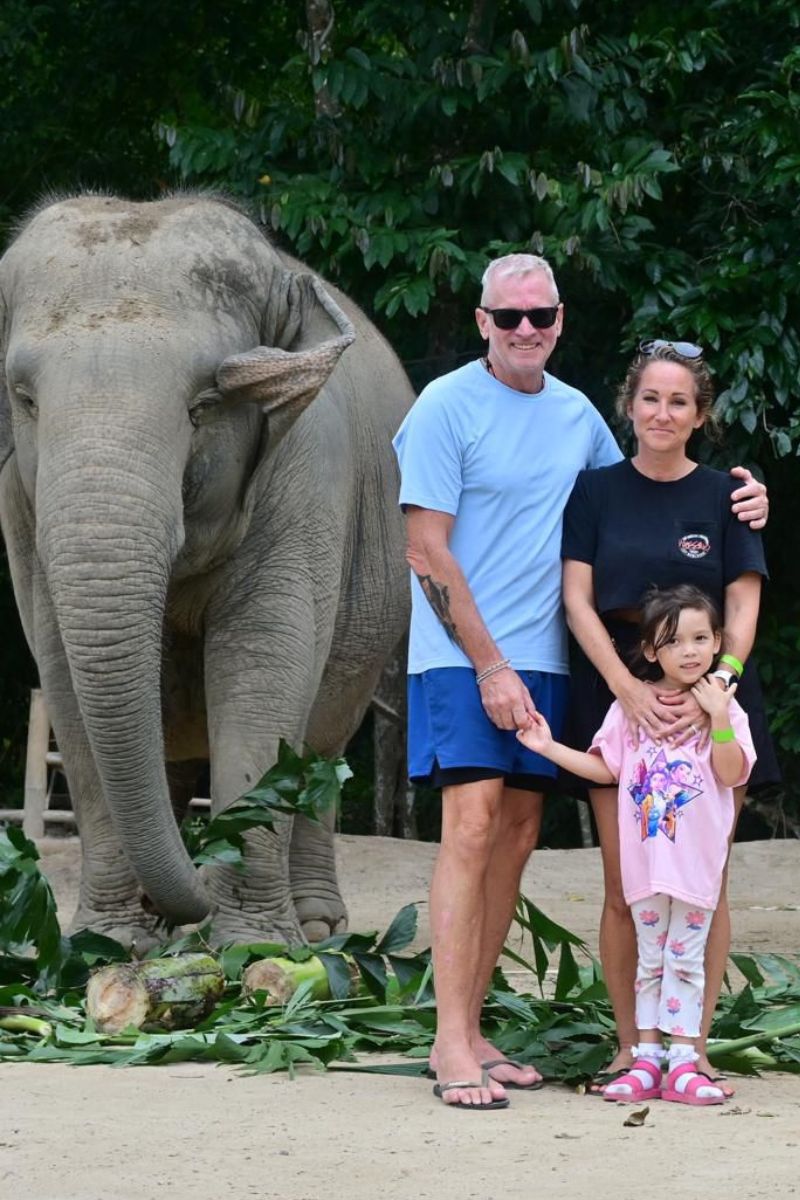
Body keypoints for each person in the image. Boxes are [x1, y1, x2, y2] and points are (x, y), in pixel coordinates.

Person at [391, 258, 768, 1110]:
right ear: (483, 321)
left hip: (553, 660)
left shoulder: (577, 417)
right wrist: (488, 664)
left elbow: (644, 487)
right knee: (471, 824)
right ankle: (448, 1042)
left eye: (540, 315)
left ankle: (475, 1030)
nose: (525, 329)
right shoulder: (444, 405)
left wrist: (749, 500)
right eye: (508, 316)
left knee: (517, 833)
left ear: (560, 320)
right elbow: (425, 548)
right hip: (463, 653)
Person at [560, 340, 780, 1094]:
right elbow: (577, 599)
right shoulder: (594, 492)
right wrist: (626, 687)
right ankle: (634, 1048)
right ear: (629, 406)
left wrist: (716, 687)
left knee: (702, 883)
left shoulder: (727, 496)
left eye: (678, 401)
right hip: (618, 687)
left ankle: (693, 1048)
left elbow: (743, 603)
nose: (662, 413)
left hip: (712, 692)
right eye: (650, 398)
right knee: (626, 883)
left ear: (700, 415)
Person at [517, 584, 754, 1106]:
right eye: (674, 641)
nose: (689, 651)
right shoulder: (630, 711)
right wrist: (547, 746)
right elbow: (605, 769)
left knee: (685, 959)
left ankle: (685, 1061)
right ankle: (646, 1059)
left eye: (700, 638)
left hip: (695, 870)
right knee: (650, 960)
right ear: (650, 650)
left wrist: (717, 716)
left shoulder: (727, 710)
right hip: (645, 867)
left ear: (717, 642)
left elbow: (731, 772)